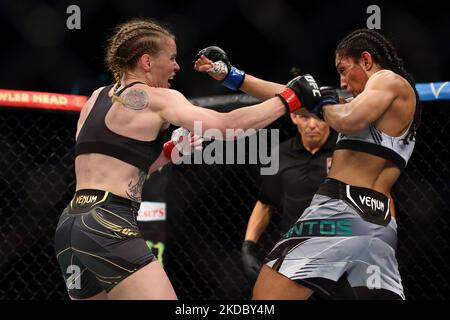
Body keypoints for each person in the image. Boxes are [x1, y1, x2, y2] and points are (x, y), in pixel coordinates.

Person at [53, 18, 332, 300]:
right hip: (108, 221)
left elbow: (117, 166)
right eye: (172, 58)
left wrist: (168, 154)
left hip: (71, 225)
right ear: (147, 62)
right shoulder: (160, 98)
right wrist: (287, 99)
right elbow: (227, 127)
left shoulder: (95, 99)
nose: (176, 67)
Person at [194, 28, 419, 299]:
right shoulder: (377, 104)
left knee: (265, 298)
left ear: (367, 60)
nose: (343, 82)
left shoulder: (387, 80)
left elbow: (345, 120)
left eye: (344, 70)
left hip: (338, 211)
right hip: (378, 222)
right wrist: (232, 76)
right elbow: (292, 97)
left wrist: (321, 100)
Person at [241, 112, 335, 284]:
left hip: (339, 248)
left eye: (319, 117)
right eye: (305, 117)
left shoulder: (346, 152)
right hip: (294, 252)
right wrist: (248, 246)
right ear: (294, 117)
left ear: (329, 117)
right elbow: (265, 203)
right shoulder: (280, 154)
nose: (312, 124)